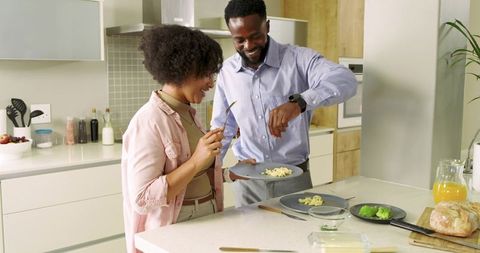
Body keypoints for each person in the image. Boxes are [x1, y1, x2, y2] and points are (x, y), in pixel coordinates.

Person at [211, 0, 358, 206]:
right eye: (239, 40)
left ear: (267, 26)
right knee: (248, 238)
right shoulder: (227, 72)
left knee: (296, 237)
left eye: (255, 36)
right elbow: (222, 129)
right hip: (248, 183)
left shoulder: (299, 59)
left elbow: (346, 79)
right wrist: (209, 176)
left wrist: (300, 102)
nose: (249, 46)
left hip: (294, 180)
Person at [121, 25, 229, 253]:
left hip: (207, 214)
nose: (211, 83)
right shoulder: (149, 120)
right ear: (185, 69)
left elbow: (194, 175)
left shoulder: (188, 112)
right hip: (176, 224)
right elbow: (142, 198)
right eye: (206, 73)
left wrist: (228, 174)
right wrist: (197, 160)